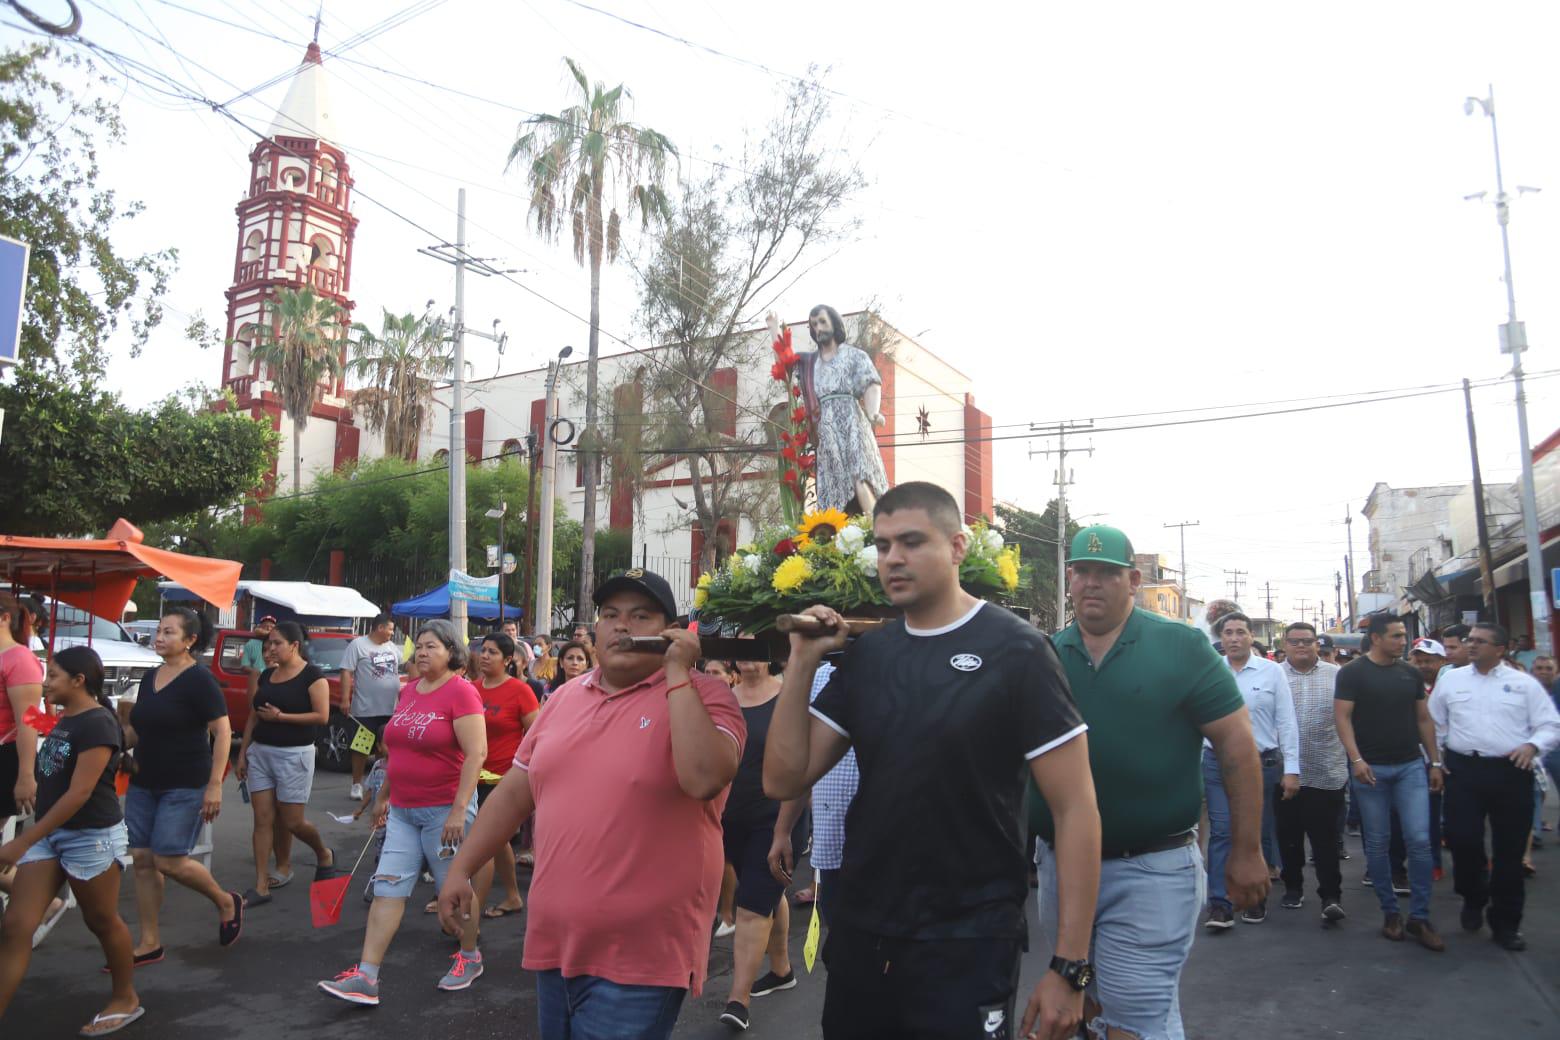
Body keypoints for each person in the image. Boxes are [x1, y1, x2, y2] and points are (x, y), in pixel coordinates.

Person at [766, 483, 1101, 1040]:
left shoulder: (1016, 650)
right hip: (864, 932)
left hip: (969, 937)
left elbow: (1076, 810)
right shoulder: (869, 656)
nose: (892, 558)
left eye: (912, 542)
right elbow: (783, 778)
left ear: (957, 546)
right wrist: (801, 664)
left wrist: (1070, 967)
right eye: (882, 545)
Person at [438, 569, 745, 1040]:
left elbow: (704, 778)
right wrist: (461, 869)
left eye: (640, 616)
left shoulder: (706, 696)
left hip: (642, 955)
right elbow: (515, 794)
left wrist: (678, 671)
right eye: (610, 615)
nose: (622, 626)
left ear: (672, 630)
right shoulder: (563, 699)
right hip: (556, 942)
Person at [1031, 525, 1261, 1040]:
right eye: (1082, 571)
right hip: (1060, 868)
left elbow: (1237, 747)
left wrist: (1246, 849)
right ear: (1068, 579)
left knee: (1134, 1014)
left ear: (1133, 579)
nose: (1092, 583)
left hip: (1152, 867)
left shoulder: (1180, 647)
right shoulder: (1044, 654)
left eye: (1107, 573)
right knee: (1083, 1001)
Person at [317, 619, 490, 1004]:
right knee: (387, 889)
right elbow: (399, 748)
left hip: (444, 810)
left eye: (433, 647)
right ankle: (366, 976)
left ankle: (469, 955)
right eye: (420, 647)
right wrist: (384, 797)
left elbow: (476, 753)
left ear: (452, 653)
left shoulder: (461, 693)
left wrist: (459, 810)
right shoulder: (410, 690)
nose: (423, 653)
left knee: (454, 890)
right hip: (403, 811)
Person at [0, 647, 143, 1036]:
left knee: (100, 920)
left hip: (90, 838)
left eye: (54, 676)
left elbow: (79, 794)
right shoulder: (66, 718)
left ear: (79, 681)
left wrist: (21, 841)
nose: (45, 683)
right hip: (51, 835)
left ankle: (125, 997)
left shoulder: (97, 724)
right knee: (16, 925)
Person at [1430, 621, 1560, 951]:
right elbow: (1434, 722)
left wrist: (1532, 746)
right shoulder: (1452, 681)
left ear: (1499, 649)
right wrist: (1438, 759)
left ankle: (1506, 923)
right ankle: (1473, 896)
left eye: (1480, 641)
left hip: (1510, 772)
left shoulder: (1522, 684)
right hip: (1463, 770)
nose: (1471, 645)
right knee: (1462, 839)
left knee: (1510, 851)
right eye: (1469, 640)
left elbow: (1550, 725)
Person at [122, 608, 241, 963]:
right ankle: (149, 941)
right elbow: (138, 728)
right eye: (158, 631)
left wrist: (215, 786)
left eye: (168, 632)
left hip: (185, 783)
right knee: (142, 860)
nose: (159, 637)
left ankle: (225, 901)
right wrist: (110, 743)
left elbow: (222, 732)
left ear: (190, 641)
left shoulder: (199, 680)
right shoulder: (150, 677)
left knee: (169, 860)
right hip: (143, 780)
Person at [1333, 614, 1445, 952]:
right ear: (1377, 638)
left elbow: (1423, 719)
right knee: (1378, 843)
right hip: (1371, 771)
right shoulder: (1352, 673)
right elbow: (1342, 717)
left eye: (1402, 635)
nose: (1402, 641)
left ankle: (1420, 916)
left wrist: (1434, 761)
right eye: (1396, 636)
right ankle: (1391, 913)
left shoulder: (1409, 672)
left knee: (1420, 840)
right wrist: (1356, 760)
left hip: (1411, 766)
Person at [717, 658, 806, 1031]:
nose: (750, 656)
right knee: (768, 892)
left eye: (758, 647)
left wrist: (786, 828)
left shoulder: (791, 697)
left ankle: (738, 1000)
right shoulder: (722, 698)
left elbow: (803, 764)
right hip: (730, 818)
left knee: (751, 904)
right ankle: (782, 970)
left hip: (778, 820)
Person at [1204, 612, 1298, 927]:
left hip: (1262, 763)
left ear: (1250, 637)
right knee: (1221, 831)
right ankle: (1219, 902)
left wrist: (1292, 770)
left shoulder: (1271, 673)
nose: (1233, 638)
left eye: (1240, 632)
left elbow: (1286, 721)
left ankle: (1254, 898)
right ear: (1221, 638)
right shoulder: (1210, 671)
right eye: (1228, 632)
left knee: (1256, 831)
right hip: (1216, 762)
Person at [234, 621, 336, 907]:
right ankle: (261, 884)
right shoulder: (267, 676)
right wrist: (243, 753)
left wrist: (281, 717)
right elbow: (254, 716)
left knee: (292, 821)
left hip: (295, 755)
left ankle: (323, 852)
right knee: (262, 819)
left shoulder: (313, 677)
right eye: (268, 645)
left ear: (294, 645)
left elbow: (322, 716)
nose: (271, 649)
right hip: (261, 754)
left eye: (277, 643)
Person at [768, 305, 889, 515]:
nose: (819, 328)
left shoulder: (854, 355)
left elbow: (870, 383)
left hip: (853, 424)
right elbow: (784, 364)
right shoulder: (809, 362)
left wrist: (873, 412)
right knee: (835, 483)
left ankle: (873, 526)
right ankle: (840, 531)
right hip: (825, 431)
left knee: (861, 474)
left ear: (834, 323)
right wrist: (773, 329)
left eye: (823, 321)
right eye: (814, 324)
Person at [1275, 622, 1348, 920]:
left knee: (1325, 839)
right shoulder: (1273, 674)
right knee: (1288, 835)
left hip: (1326, 769)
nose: (1302, 646)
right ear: (1285, 645)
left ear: (1318, 644)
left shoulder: (1337, 675)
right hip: (1283, 771)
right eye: (1295, 641)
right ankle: (1293, 887)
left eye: (1307, 641)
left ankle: (1331, 895)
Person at [472, 633, 539, 920]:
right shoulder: (472, 689)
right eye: (483, 650)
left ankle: (466, 907)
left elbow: (536, 735)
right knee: (495, 842)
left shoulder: (520, 691)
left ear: (508, 660)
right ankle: (512, 896)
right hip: (472, 775)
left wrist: (522, 772)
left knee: (486, 840)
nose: (484, 656)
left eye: (493, 652)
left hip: (503, 777)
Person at [340, 614, 402, 801]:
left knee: (384, 748)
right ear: (380, 628)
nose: (392, 633)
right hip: (365, 708)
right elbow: (346, 671)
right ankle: (357, 784)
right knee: (361, 747)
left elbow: (408, 665)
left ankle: (380, 782)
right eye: (390, 629)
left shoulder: (392, 648)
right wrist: (344, 698)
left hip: (390, 708)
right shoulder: (358, 645)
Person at [0, 594, 44, 835]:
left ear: (5, 618)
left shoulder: (19, 658)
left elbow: (28, 720)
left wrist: (26, 775)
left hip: (5, 754)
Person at [239, 615, 277, 702]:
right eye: (265, 626)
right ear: (260, 627)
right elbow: (244, 666)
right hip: (257, 682)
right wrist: (260, 672)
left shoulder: (278, 644)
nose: (268, 628)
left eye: (271, 626)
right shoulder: (251, 644)